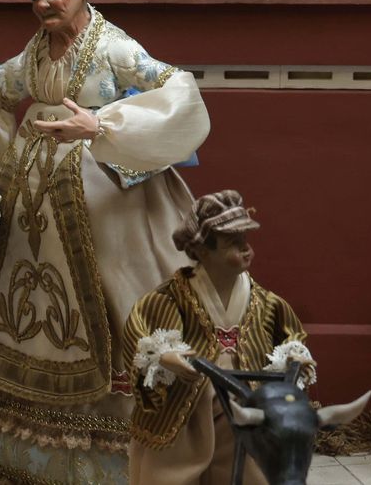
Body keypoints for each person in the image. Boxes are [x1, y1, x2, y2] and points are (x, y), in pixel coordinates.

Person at [0, 0, 209, 485]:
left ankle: (125, 448)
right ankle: (33, 447)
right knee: (38, 300)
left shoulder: (114, 46)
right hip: (34, 205)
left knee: (116, 293)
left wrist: (104, 124)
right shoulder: (35, 52)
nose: (41, 3)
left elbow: (177, 88)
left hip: (107, 199)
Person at [124, 191, 313, 485]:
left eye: (246, 242)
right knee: (175, 465)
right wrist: (167, 357)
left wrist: (293, 356)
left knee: (247, 464)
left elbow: (289, 335)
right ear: (202, 251)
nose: (246, 250)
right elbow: (144, 332)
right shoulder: (173, 297)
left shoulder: (264, 301)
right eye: (233, 244)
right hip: (191, 400)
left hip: (245, 392)